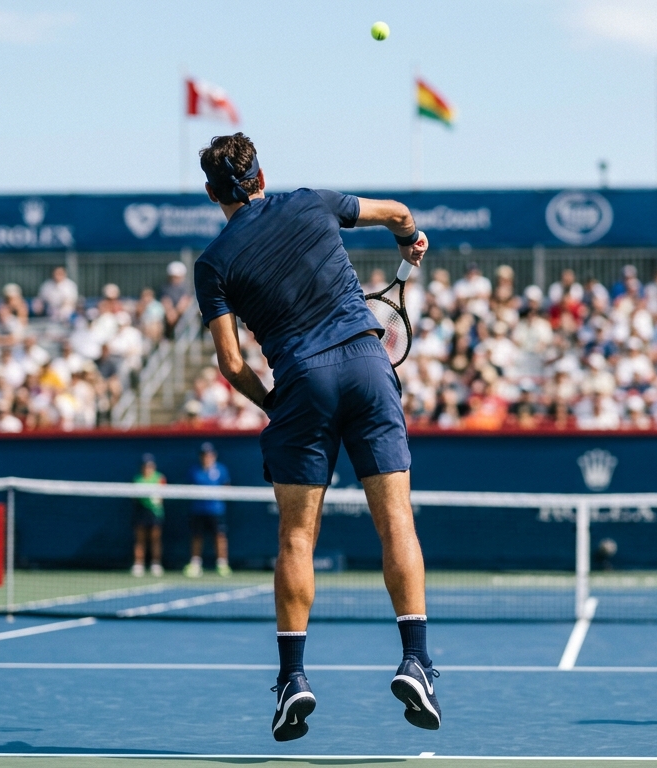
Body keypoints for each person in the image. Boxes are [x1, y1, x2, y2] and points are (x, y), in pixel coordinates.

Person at [192, 132, 438, 740]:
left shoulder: (213, 265)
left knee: (297, 537)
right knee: (397, 523)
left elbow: (231, 363)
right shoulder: (311, 201)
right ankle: (416, 661)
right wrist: (409, 242)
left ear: (211, 193)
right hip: (366, 362)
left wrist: (278, 403)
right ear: (261, 176)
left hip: (301, 378)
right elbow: (402, 215)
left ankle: (294, 680)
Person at [185, 442, 231, 578]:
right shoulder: (194, 470)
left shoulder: (221, 470)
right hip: (197, 510)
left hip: (216, 511)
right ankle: (195, 564)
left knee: (219, 536)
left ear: (214, 455)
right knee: (197, 536)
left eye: (209, 454)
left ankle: (222, 564)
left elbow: (227, 487)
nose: (207, 457)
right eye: (204, 455)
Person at [131, 454, 165, 577]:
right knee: (140, 540)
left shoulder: (159, 478)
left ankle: (156, 564)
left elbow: (162, 497)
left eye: (149, 465)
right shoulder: (137, 479)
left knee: (155, 539)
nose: (147, 468)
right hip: (141, 512)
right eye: (145, 466)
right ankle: (138, 564)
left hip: (155, 513)